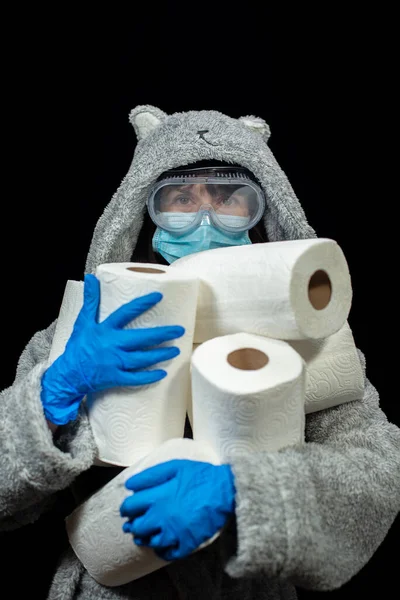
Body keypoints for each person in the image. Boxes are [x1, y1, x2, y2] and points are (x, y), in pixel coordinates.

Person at [1, 105, 399, 600]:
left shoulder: (313, 344)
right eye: (180, 198)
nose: (204, 219)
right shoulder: (82, 334)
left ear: (263, 211)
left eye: (231, 197)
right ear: (144, 211)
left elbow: (376, 474)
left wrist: (243, 492)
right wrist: (51, 394)